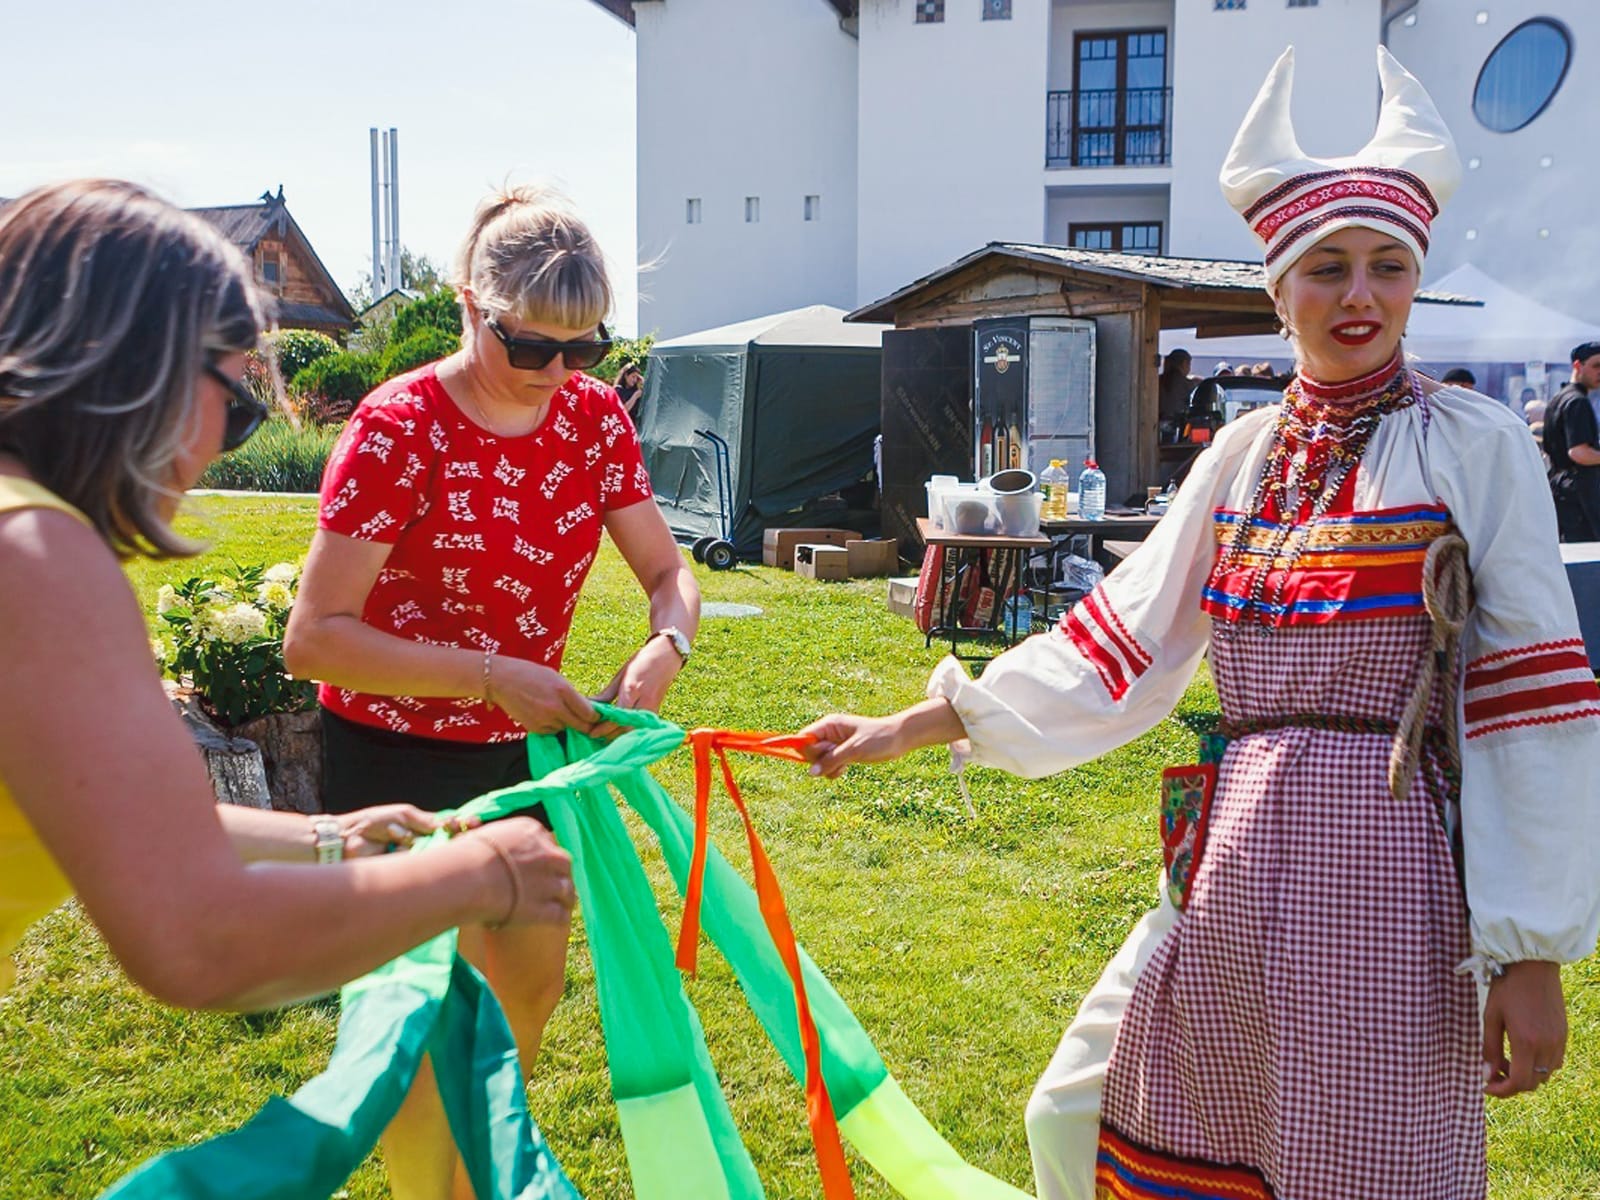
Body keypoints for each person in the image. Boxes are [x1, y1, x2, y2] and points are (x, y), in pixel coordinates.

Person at [800, 47, 1599, 1200]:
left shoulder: (1471, 446)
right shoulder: (1242, 454)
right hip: (1233, 852)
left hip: (1389, 858)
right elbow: (1118, 640)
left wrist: (1527, 953)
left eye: (1387, 266)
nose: (1359, 295)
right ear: (1277, 293)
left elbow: (1527, 692)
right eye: (1326, 269)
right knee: (1086, 1108)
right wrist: (907, 726)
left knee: (1348, 1148)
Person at [0, 180, 576, 1015]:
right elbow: (200, 942)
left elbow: (134, 822)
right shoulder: (40, 557)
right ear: (140, 368)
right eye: (235, 409)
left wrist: (334, 838)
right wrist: (480, 873)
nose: (211, 452)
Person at [283, 183, 699, 1200]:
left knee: (522, 997)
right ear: (471, 307)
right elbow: (313, 640)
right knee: (421, 1025)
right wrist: (484, 675)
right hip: (394, 763)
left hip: (526, 759)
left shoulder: (592, 419)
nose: (559, 374)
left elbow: (668, 573)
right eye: (531, 348)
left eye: (584, 349)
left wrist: (666, 645)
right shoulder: (398, 429)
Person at [1540, 342, 1600, 541]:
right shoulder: (1577, 402)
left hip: (1560, 490)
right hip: (1578, 495)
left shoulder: (1558, 399)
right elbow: (1579, 453)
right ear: (1577, 365)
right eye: (1596, 366)